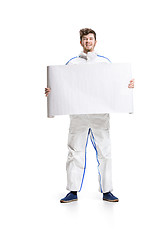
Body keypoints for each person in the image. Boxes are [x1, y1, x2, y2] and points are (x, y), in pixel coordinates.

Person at [45, 28, 134, 203]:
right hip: (78, 115)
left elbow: (114, 85)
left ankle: (107, 190)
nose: (88, 41)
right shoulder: (72, 64)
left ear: (95, 41)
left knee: (105, 152)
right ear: (81, 42)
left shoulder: (104, 63)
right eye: (85, 39)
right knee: (74, 152)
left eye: (90, 39)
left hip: (100, 115)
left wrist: (127, 86)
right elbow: (63, 88)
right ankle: (72, 190)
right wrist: (51, 92)